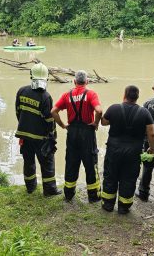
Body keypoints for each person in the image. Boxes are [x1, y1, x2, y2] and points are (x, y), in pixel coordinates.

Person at [101, 86, 154, 214]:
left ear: (124, 94)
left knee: (110, 175)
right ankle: (124, 207)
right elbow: (152, 134)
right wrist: (152, 148)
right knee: (129, 178)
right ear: (137, 97)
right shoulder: (144, 112)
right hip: (133, 152)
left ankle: (108, 204)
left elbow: (103, 122)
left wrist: (100, 115)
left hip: (114, 150)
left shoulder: (114, 108)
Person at [51, 70, 102, 203]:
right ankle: (93, 196)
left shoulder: (66, 95)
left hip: (72, 132)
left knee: (71, 162)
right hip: (87, 132)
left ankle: (68, 194)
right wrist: (96, 123)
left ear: (74, 81)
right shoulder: (91, 94)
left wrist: (63, 125)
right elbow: (99, 110)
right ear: (87, 81)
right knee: (90, 163)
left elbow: (53, 111)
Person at [15, 63, 61, 196]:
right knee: (47, 164)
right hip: (41, 138)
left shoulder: (21, 91)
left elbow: (18, 112)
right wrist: (52, 136)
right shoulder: (45, 96)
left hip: (24, 135)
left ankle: (30, 187)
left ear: (31, 76)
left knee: (28, 162)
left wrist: (24, 126)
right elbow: (49, 120)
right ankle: (50, 190)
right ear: (46, 78)